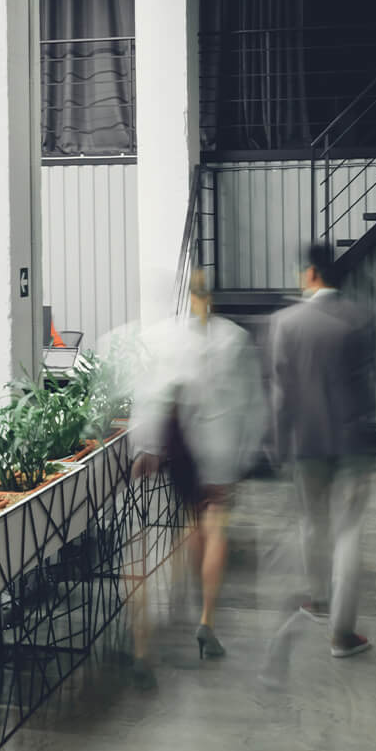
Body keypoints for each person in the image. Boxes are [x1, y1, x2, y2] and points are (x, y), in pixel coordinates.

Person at [132, 272, 266, 663]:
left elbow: (152, 395)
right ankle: (207, 618)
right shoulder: (234, 338)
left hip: (185, 451)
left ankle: (181, 595)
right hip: (221, 449)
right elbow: (254, 403)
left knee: (191, 521)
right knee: (216, 527)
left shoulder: (165, 338)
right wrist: (247, 454)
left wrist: (148, 447)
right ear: (213, 297)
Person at [265, 242, 376, 669]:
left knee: (312, 525)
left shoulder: (285, 323)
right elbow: (369, 383)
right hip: (351, 442)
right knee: (349, 533)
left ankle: (317, 599)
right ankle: (342, 633)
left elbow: (280, 393)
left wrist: (278, 444)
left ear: (311, 274)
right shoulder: (359, 318)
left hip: (306, 442)